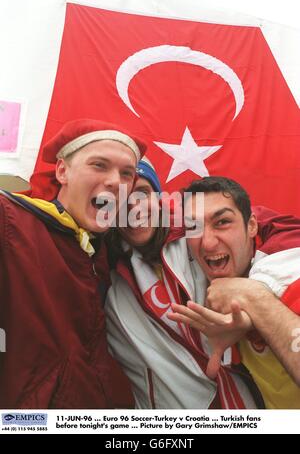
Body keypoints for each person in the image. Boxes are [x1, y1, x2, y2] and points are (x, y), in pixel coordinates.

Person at [0, 118, 147, 409]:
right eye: (99, 165)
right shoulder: (11, 223)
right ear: (62, 171)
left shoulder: (110, 245)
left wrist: (253, 285)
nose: (116, 182)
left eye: (126, 173)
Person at [105, 161, 270, 409]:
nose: (134, 207)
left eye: (142, 193)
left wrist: (252, 302)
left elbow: (268, 230)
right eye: (121, 198)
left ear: (160, 198)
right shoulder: (106, 278)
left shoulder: (197, 239)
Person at [168, 177, 300, 408]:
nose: (207, 243)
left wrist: (254, 297)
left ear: (251, 226)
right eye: (193, 227)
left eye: (222, 222)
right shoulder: (203, 292)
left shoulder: (290, 274)